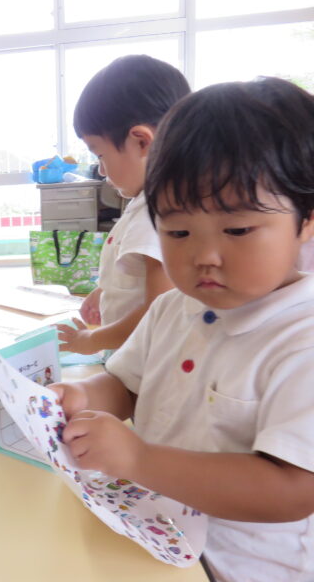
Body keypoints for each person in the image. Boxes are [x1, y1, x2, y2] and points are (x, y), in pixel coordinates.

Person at [52, 78, 314, 581]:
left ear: (305, 220)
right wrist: (81, 397)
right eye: (177, 231)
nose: (204, 255)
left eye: (237, 229)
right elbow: (128, 384)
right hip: (157, 537)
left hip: (241, 568)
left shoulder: (301, 339)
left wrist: (138, 458)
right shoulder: (172, 308)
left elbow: (294, 489)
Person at [57, 55, 189, 355]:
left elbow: (159, 309)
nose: (102, 171)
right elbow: (138, 279)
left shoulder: (158, 211)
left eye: (100, 155)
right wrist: (104, 291)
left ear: (142, 142)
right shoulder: (148, 201)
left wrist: (91, 340)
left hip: (143, 366)